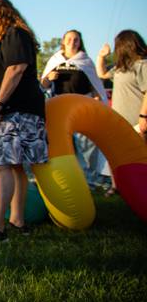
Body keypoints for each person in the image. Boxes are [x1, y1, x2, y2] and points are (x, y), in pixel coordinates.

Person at [0, 0, 48, 242]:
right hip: (8, 110)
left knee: (1, 165)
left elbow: (16, 69)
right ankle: (17, 219)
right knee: (13, 166)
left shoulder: (15, 34)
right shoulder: (0, 39)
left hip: (14, 110)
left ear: (4, 12)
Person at [40, 29, 108, 187]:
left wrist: (98, 101)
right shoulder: (55, 60)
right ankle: (63, 179)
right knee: (62, 144)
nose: (72, 42)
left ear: (80, 42)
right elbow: (43, 86)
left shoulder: (86, 61)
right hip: (59, 107)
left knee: (86, 145)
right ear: (63, 41)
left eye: (76, 39)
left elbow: (95, 86)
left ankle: (89, 180)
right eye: (69, 38)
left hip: (81, 106)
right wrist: (49, 79)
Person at [95, 30, 147, 196]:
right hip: (120, 121)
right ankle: (118, 186)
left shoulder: (142, 65)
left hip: (138, 122)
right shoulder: (120, 68)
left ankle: (141, 191)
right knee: (115, 155)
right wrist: (101, 57)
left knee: (140, 157)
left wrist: (144, 116)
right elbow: (101, 74)